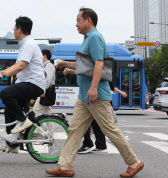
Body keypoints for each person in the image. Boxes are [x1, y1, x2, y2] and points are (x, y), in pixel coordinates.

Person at [45, 8, 144, 177]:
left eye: (78, 20)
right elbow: (87, 67)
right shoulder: (88, 39)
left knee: (110, 129)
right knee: (75, 130)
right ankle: (66, 166)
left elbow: (99, 64)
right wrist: (67, 66)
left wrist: (93, 88)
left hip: (95, 95)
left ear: (88, 20)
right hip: (85, 97)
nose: (76, 24)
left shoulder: (95, 37)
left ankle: (134, 162)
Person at [0, 16, 45, 153]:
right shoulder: (25, 44)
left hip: (33, 84)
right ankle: (12, 144)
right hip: (28, 82)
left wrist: (2, 75)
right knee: (9, 110)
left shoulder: (28, 44)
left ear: (19, 29)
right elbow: (17, 65)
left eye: (14, 28)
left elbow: (21, 65)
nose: (13, 31)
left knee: (5, 94)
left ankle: (23, 120)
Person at [30, 49, 56, 117]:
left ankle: (42, 127)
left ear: (44, 56)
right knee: (47, 113)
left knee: (36, 110)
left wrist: (44, 89)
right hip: (47, 92)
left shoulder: (49, 65)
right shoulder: (45, 65)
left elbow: (48, 78)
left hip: (46, 91)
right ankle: (49, 128)